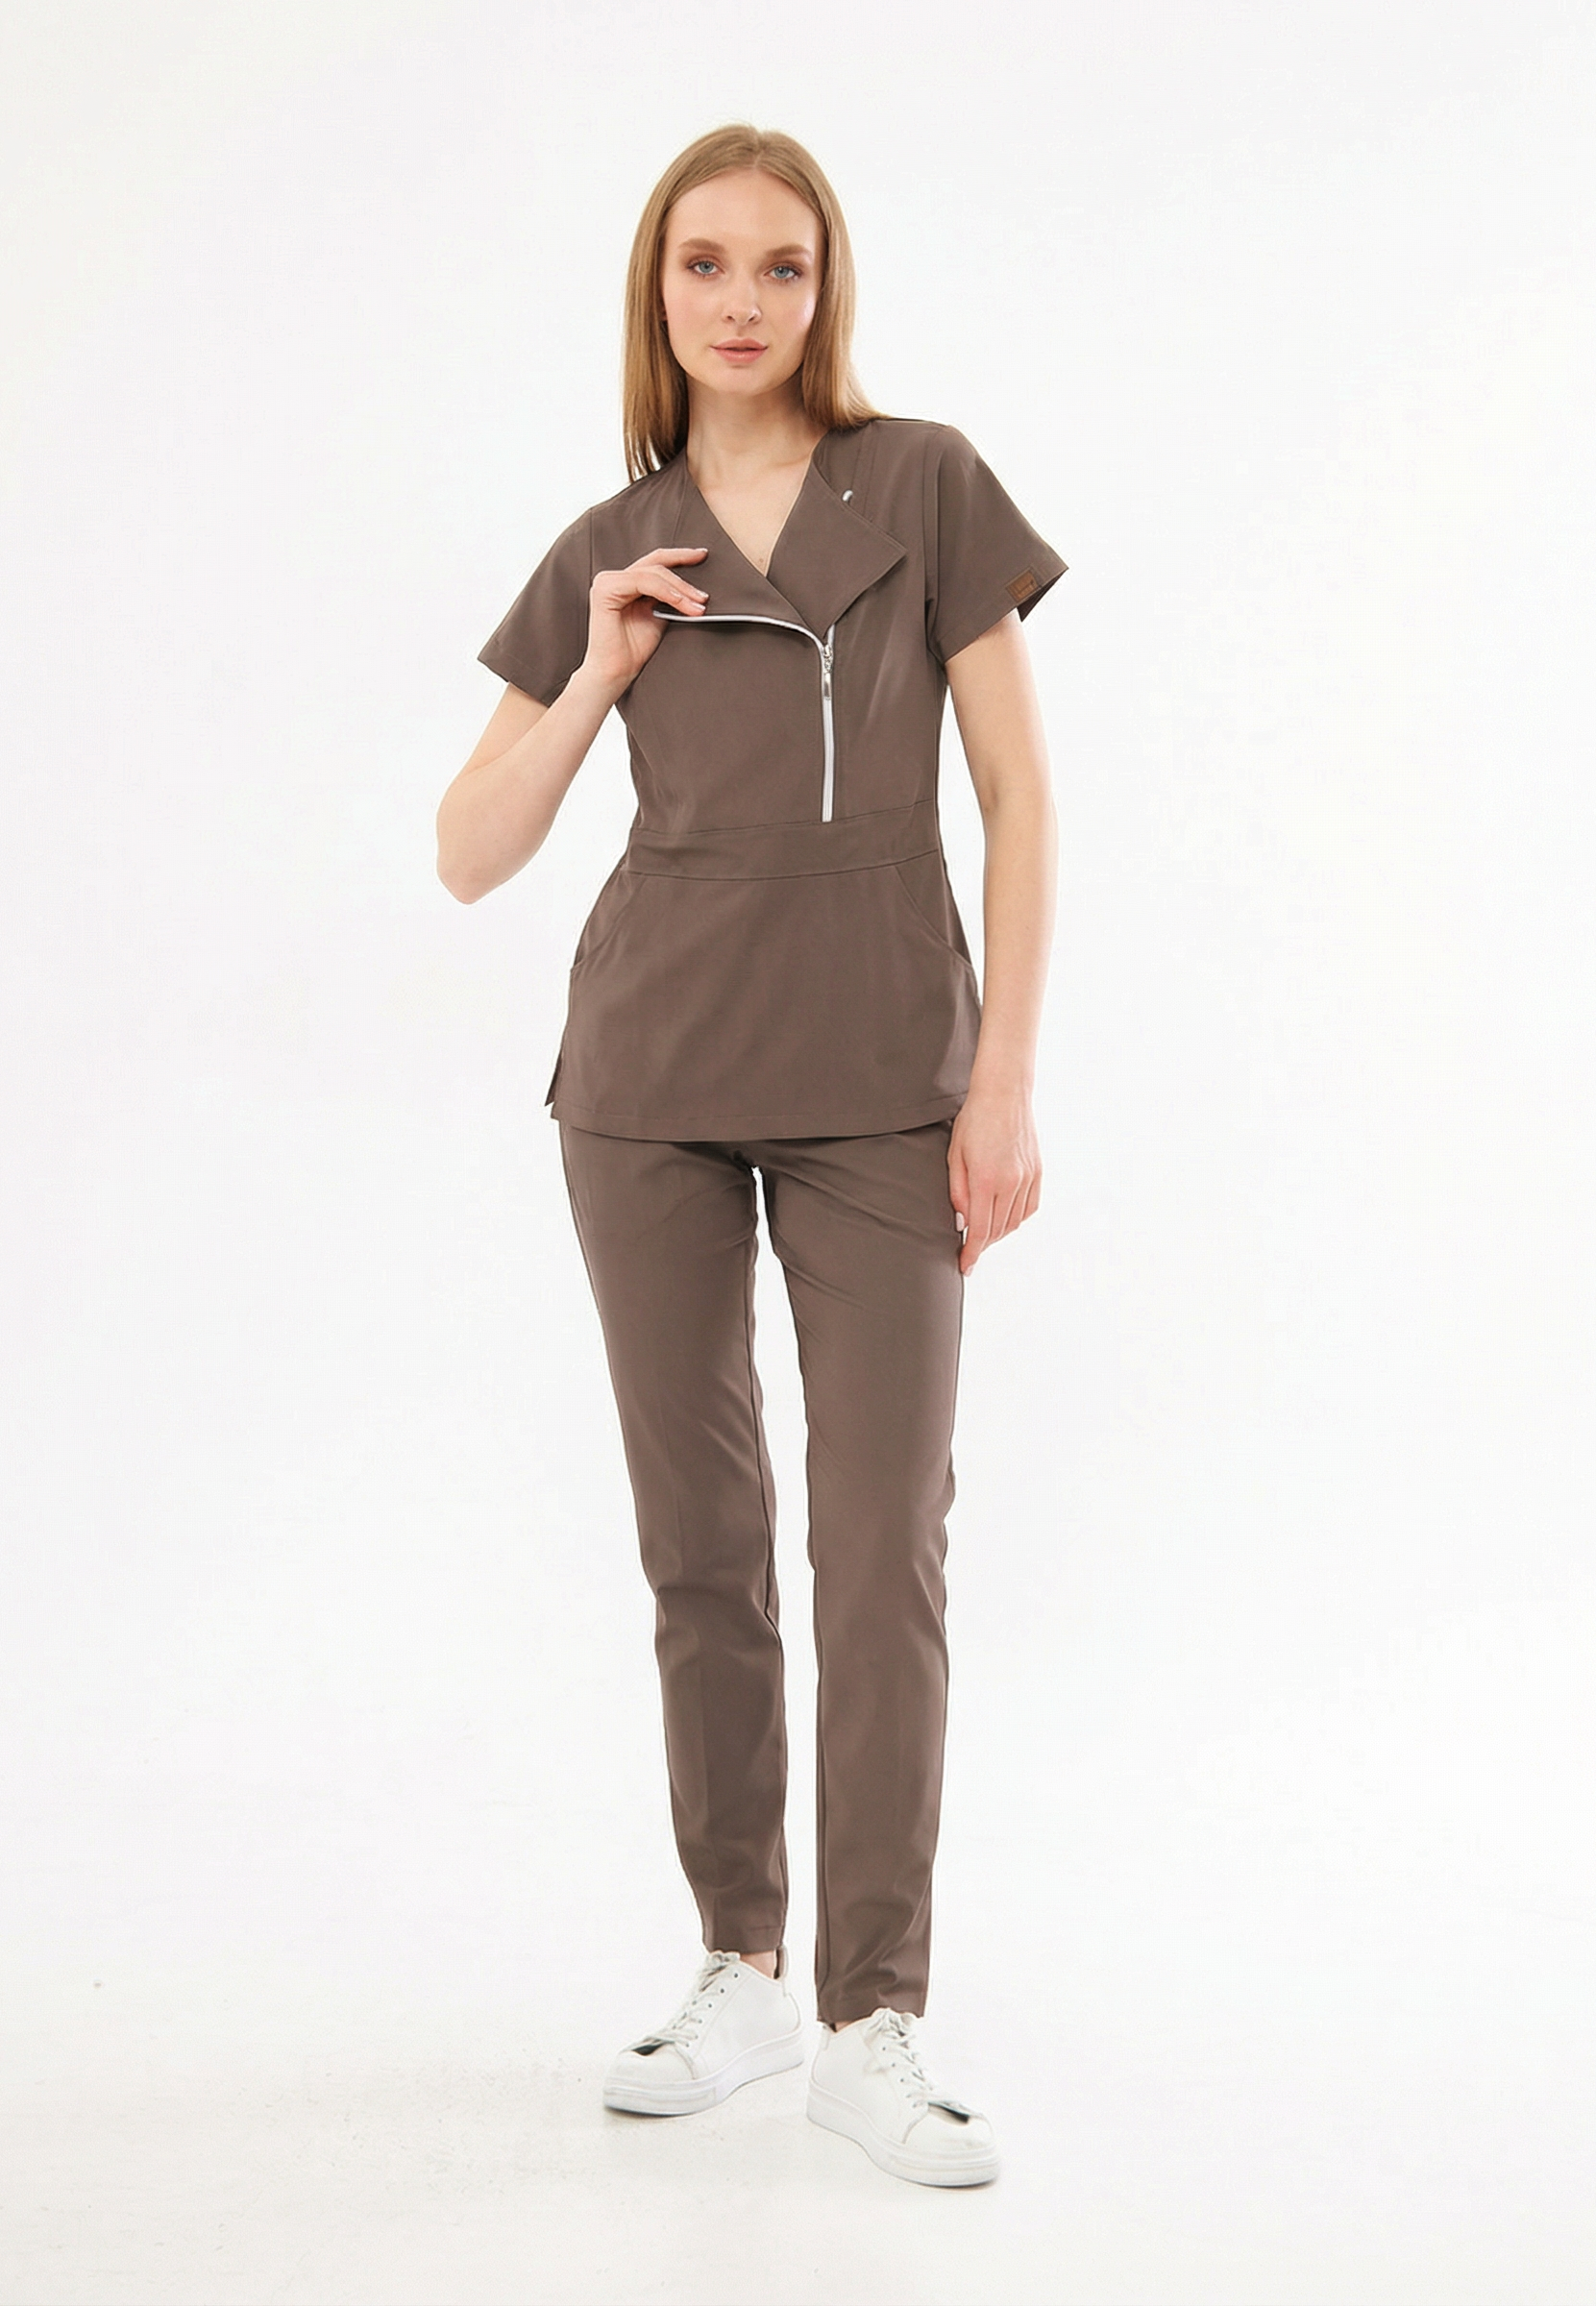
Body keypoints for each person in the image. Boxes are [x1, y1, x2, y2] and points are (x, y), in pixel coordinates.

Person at [435, 122, 1066, 2191]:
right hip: (650, 1086)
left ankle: (875, 2016)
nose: (740, 300)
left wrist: (1001, 1079)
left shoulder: (926, 485)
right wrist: (598, 667)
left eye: (779, 267)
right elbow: (466, 852)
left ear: (824, 290)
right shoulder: (611, 540)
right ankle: (744, 1965)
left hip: (887, 1078)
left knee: (881, 1539)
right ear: (658, 289)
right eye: (702, 263)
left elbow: (1017, 797)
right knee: (699, 1543)